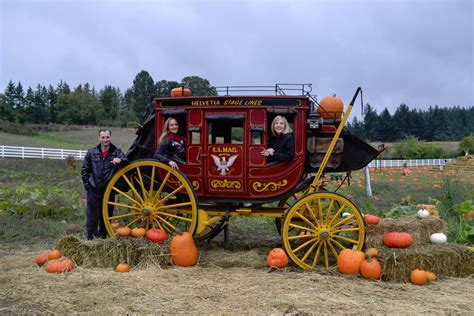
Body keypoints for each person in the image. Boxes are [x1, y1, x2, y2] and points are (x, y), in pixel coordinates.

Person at [81, 129, 127, 240]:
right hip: (94, 190)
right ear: (99, 138)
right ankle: (91, 241)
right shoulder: (91, 153)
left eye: (107, 137)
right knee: (92, 218)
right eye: (103, 137)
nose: (105, 140)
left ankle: (102, 240)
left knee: (106, 217)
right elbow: (84, 170)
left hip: (108, 191)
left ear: (110, 137)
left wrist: (120, 160)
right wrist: (89, 186)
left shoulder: (116, 151)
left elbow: (126, 160)